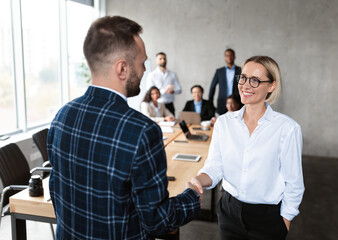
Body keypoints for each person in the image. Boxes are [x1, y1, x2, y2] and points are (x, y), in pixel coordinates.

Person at [47, 16, 201, 240]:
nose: (144, 70)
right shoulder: (142, 131)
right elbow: (157, 221)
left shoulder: (61, 116)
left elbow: (57, 193)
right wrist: (191, 197)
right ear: (122, 69)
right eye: (142, 62)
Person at [191, 56, 305, 240]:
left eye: (255, 80)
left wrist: (285, 221)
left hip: (268, 219)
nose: (245, 85)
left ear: (271, 86)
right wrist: (198, 179)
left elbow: (294, 182)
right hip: (229, 212)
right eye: (243, 78)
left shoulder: (288, 129)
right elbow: (215, 166)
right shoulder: (224, 123)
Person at [209, 48, 242, 115]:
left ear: (234, 56)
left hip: (236, 103)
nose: (229, 57)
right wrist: (210, 103)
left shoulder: (240, 70)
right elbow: (212, 87)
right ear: (224, 57)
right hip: (222, 102)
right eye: (227, 55)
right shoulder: (219, 71)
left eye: (231, 55)